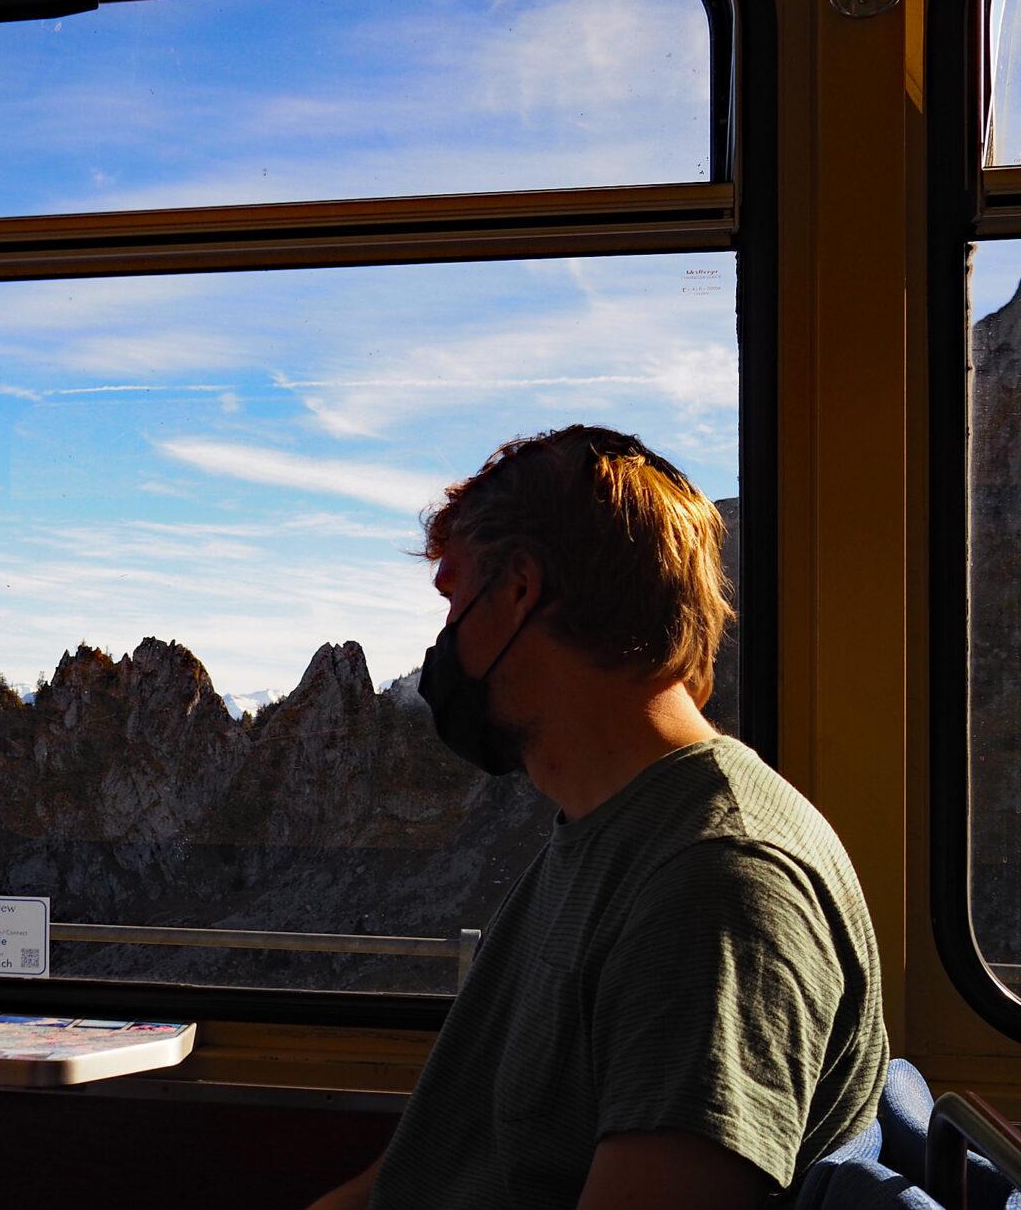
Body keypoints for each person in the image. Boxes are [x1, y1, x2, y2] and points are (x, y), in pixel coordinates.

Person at [314, 426, 886, 1209]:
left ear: (520, 589)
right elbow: (426, 1170)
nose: (443, 643)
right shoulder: (609, 827)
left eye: (453, 600)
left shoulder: (713, 884)